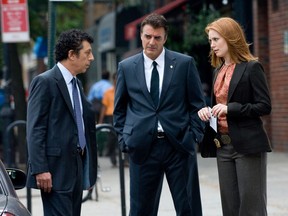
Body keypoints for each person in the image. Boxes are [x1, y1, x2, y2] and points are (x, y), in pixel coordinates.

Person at [113, 13, 205, 216]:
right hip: (142, 147)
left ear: (165, 38)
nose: (151, 42)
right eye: (147, 36)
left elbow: (197, 104)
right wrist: (124, 139)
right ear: (141, 35)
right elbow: (119, 109)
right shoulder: (127, 67)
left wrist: (194, 136)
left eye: (157, 37)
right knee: (140, 211)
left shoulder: (184, 64)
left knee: (188, 208)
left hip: (178, 146)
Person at [197, 17, 272, 216]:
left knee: (251, 208)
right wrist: (207, 110)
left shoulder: (251, 67)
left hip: (248, 145)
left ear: (230, 38)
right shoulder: (217, 71)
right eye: (210, 40)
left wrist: (231, 109)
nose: (212, 45)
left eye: (216, 39)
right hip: (223, 145)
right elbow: (217, 106)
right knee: (229, 208)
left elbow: (264, 106)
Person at [26, 29, 98, 216]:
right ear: (71, 55)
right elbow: (35, 129)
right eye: (87, 53)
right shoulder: (45, 82)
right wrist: (40, 169)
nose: (91, 58)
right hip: (54, 171)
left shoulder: (77, 84)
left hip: (76, 166)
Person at [98, 72, 118, 167]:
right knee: (111, 138)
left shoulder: (126, 89)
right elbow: (104, 107)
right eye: (116, 79)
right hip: (111, 116)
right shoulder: (108, 92)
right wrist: (101, 120)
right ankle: (113, 159)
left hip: (122, 115)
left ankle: (126, 160)